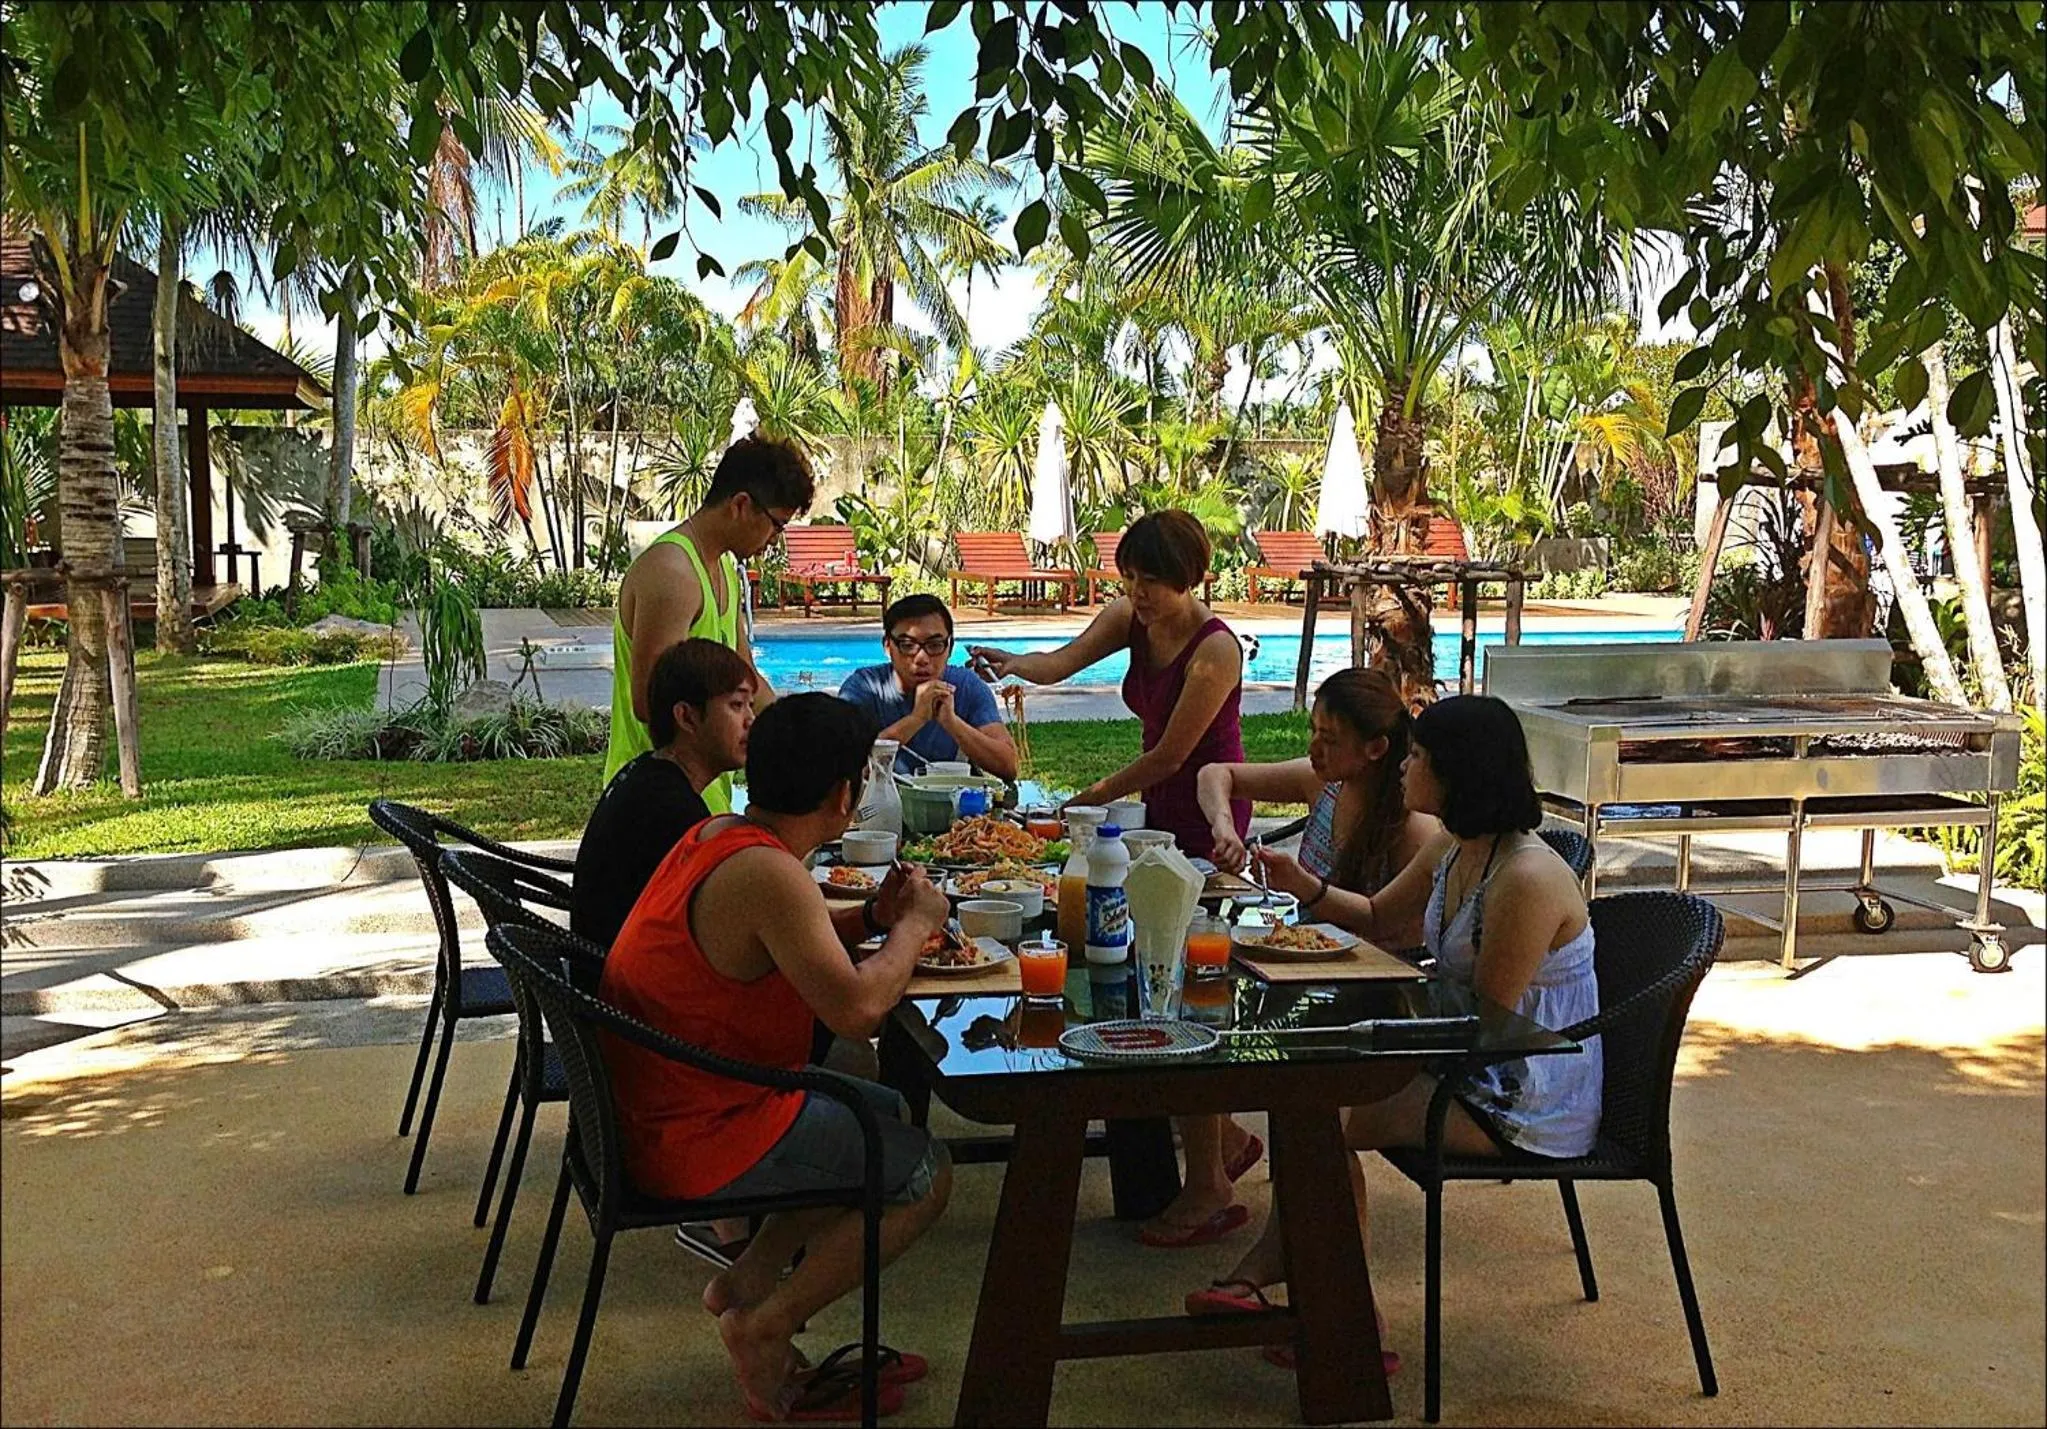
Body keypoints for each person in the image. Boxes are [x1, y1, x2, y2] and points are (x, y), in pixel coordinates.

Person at [1186, 695, 1602, 1372]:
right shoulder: (1456, 840)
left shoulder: (1525, 877)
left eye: (1416, 756)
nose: (1404, 767)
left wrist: (1361, 1022)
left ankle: (1343, 1316)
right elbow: (1378, 913)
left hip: (1523, 1093)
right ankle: (1312, 1296)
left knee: (1319, 1107)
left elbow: (1480, 1021)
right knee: (1310, 1095)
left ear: (1456, 772)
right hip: (1475, 1062)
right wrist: (1305, 885)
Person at [600, 693, 954, 1422]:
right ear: (842, 794)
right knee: (922, 1173)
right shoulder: (770, 874)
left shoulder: (721, 835)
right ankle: (767, 1325)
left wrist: (874, 918)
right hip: (695, 1132)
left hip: (665, 1106)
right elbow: (858, 1010)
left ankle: (743, 1288)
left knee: (879, 1112)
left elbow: (790, 937)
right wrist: (915, 928)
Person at [1144, 667, 1439, 1251]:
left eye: (1330, 738)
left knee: (1209, 1009)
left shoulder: (1415, 827)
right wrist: (1223, 828)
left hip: (1375, 995)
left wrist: (1304, 886)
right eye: (1313, 731)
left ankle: (1229, 1188)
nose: (1314, 748)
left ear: (1376, 748)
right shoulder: (1321, 784)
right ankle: (1216, 1160)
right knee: (1187, 994)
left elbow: (1384, 927)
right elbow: (1214, 772)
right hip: (1304, 971)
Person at [968, 509, 1248, 858]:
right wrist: (1012, 663)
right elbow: (1060, 663)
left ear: (1185, 577)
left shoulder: (1215, 650)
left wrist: (1080, 805)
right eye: (1129, 577)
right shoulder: (1128, 615)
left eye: (1150, 580)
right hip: (1154, 798)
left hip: (1211, 807)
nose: (1136, 591)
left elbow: (1168, 758)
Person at [604, 434, 815, 810]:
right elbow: (651, 703)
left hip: (703, 799)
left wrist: (800, 731)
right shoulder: (673, 572)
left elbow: (746, 675)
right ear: (741, 505)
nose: (774, 541)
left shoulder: (724, 571)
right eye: (777, 526)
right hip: (654, 801)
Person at [572, 638, 755, 947]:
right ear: (686, 717)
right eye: (736, 705)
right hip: (622, 988)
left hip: (598, 970)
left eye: (751, 705)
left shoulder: (647, 773)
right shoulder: (672, 812)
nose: (751, 719)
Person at [837, 594, 1019, 779]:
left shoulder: (966, 686)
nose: (922, 658)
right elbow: (840, 772)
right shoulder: (864, 687)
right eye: (907, 645)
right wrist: (917, 718)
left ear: (949, 648)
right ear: (887, 646)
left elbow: (1008, 766)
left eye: (935, 645)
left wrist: (952, 723)